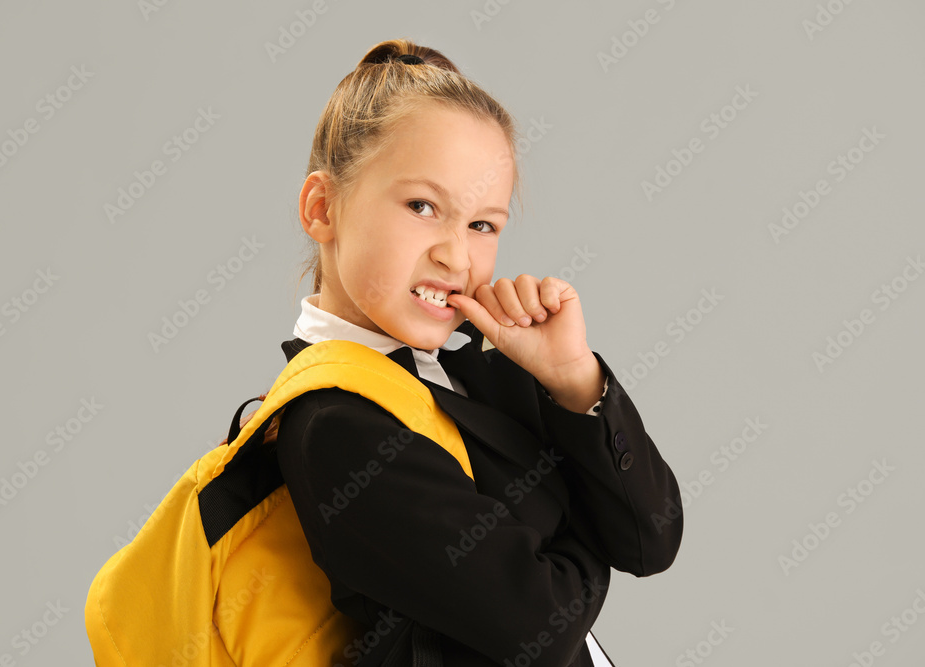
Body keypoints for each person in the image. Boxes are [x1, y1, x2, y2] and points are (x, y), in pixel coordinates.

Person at [272, 38, 683, 666]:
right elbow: (539, 628)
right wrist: (582, 533)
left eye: (482, 224)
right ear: (322, 208)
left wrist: (573, 380)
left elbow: (650, 540)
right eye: (422, 206)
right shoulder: (334, 423)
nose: (456, 256)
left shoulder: (489, 371)